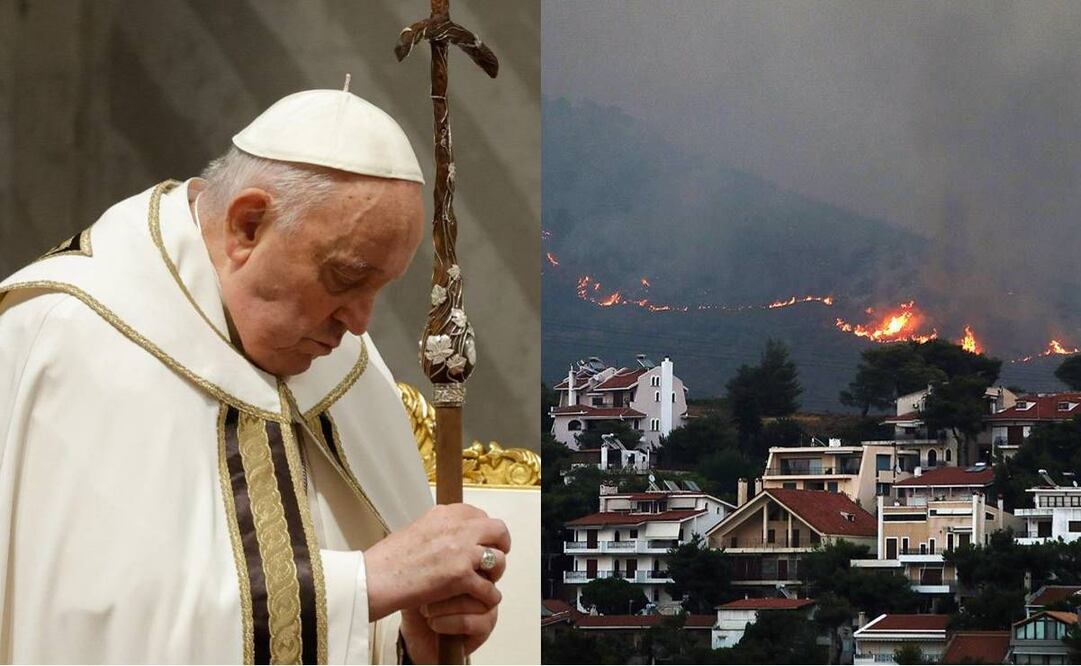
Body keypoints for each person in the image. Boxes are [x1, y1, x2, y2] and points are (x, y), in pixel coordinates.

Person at [0, 89, 509, 664]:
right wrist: (365, 585)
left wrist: (405, 642)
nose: (359, 322)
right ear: (247, 225)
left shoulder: (343, 364)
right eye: (345, 278)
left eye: (379, 290)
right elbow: (89, 633)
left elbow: (373, 607)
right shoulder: (74, 340)